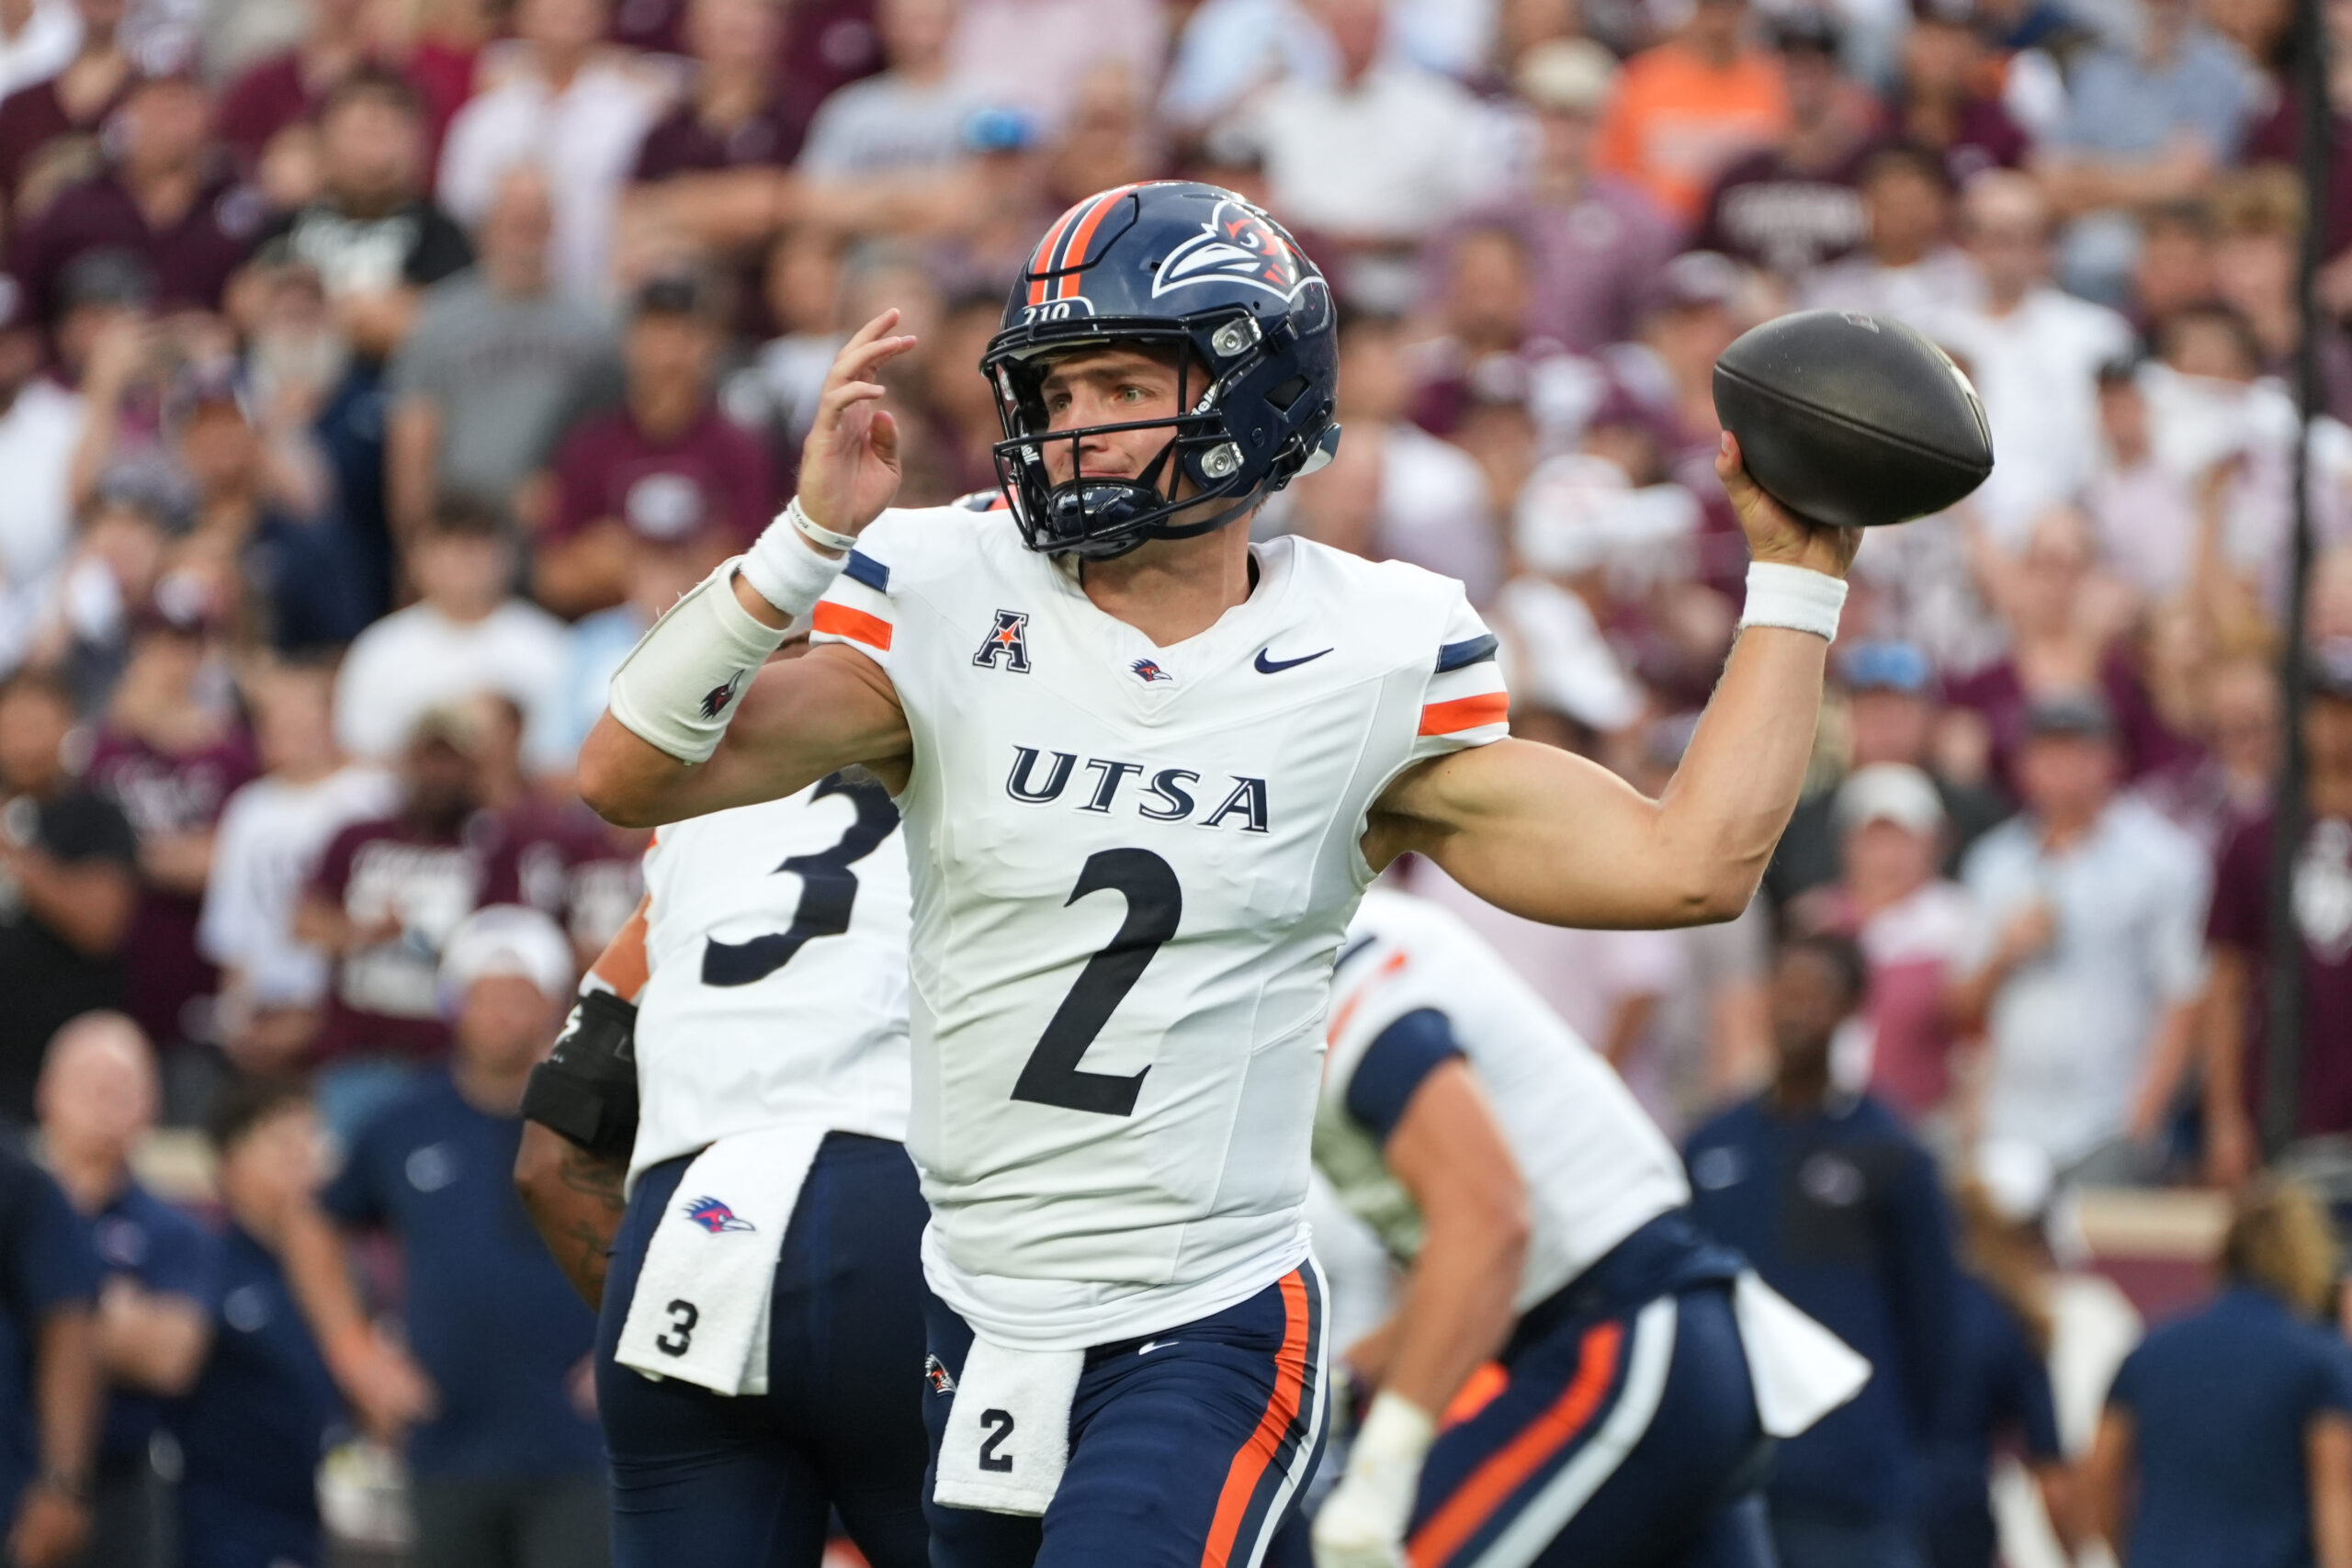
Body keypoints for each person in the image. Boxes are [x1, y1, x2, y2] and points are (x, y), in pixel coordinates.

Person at [577, 178, 1861, 1566]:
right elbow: (631, 773)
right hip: (974, 1311)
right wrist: (803, 537)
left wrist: (1792, 580)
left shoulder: (1369, 650)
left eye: (1119, 382)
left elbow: (1688, 864)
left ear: (1254, 391)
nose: (1071, 428)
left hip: (1204, 1316)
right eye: (1054, 393)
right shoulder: (949, 585)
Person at [1295, 889, 1862, 1568]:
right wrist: (1349, 1384)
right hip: (1667, 1345)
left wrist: (1382, 1471)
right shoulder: (1356, 942)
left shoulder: (1322, 962)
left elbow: (1492, 1224)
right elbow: (1491, 1267)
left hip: (1624, 1346)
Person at [514, 755, 927, 1565]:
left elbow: (546, 1159)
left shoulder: (699, 824)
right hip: (900, 1215)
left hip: (690, 1233)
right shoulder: (1009, 763)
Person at [304, 905, 608, 1568]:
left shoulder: (606, 1120)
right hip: (445, 1440)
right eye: (484, 994)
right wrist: (355, 1352)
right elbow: (316, 1223)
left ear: (555, 1005)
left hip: (583, 1445)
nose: (500, 1013)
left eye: (518, 995)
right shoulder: (405, 1119)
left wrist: (630, 1344)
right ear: (454, 1004)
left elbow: (676, 1228)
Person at [1684, 932, 1962, 1568]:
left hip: (1852, 1490)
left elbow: (1934, 1328)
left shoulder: (1892, 1151)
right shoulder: (1709, 1146)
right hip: (1728, 1480)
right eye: (1785, 989)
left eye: (1816, 992)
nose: (1795, 1008)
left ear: (1850, 1009)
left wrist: (1898, 1452)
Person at [1948, 692, 2211, 1182]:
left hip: (2108, 1119)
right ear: (2024, 765)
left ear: (2113, 759)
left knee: (2105, 1256)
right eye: (2049, 752)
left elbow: (2186, 999)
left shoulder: (2163, 861)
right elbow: (1962, 1004)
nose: (2064, 767)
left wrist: (2143, 1118)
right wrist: (2004, 955)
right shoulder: (1994, 862)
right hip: (2013, 1125)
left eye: (2079, 751)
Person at [2083, 1179, 2352, 1568]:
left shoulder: (2150, 1351)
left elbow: (2098, 1473)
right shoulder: (2319, 1362)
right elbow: (2335, 1497)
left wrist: (2129, 1552)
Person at [294, 706, 521, 1137]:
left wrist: (446, 943)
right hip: (357, 1052)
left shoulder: (495, 848)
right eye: (427, 759)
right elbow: (304, 922)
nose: (437, 773)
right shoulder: (358, 837)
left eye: (451, 760)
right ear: (405, 763)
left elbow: (509, 940)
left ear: (473, 768)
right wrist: (363, 933)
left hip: (448, 1060)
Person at [36, 1013, 209, 1568]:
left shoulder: (175, 1230)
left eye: (123, 1086)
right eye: (90, 1082)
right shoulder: (16, 1212)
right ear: (46, 1093)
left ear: (151, 1106)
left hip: (119, 1486)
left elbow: (168, 1357)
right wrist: (113, 1314)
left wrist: (39, 1312)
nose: (105, 1100)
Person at [383, 165, 625, 537]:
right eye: (514, 212)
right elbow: (413, 439)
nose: (525, 224)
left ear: (554, 224)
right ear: (486, 224)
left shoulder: (597, 327)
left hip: (555, 535)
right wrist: (415, 542)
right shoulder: (440, 318)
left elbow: (611, 440)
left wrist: (569, 495)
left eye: (536, 213)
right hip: (461, 534)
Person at [167, 1077, 343, 1568]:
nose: (302, 1156)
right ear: (230, 1161)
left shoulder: (334, 1275)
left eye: (310, 1137)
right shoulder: (204, 1262)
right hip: (220, 1526)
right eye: (282, 1142)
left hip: (311, 1524)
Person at [199, 657, 398, 1077]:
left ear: (331, 722)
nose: (296, 733)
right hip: (268, 1009)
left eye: (306, 718)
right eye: (280, 722)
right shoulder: (248, 810)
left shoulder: (373, 796)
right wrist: (238, 1020)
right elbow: (235, 931)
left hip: (348, 1012)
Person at [533, 271, 773, 618]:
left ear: (712, 344)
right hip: (606, 636)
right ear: (628, 342)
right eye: (656, 332)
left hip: (710, 632)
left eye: (686, 334)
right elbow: (553, 577)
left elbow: (760, 575)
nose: (669, 351)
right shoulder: (591, 446)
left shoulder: (740, 449)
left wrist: (631, 563)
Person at [2204, 642, 2352, 1185]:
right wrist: (2225, 1119)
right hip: (2284, 1108)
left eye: (2348, 710)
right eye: (2326, 709)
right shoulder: (2256, 838)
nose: (2338, 727)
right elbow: (2225, 986)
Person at [1920, 172, 2135, 541]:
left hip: (2075, 533)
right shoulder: (1933, 337)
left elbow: (2116, 451)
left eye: (2029, 237)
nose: (2014, 254)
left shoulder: (2097, 333)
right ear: (1970, 244)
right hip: (1957, 534)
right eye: (2000, 238)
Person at [433, 0, 669, 301]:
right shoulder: (484, 119)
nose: (565, 9)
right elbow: (460, 215)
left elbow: (656, 213)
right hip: (505, 305)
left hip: (608, 303)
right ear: (520, 14)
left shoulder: (638, 114)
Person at [1460, 38, 1677, 355]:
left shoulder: (1640, 221)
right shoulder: (1486, 214)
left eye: (1581, 119)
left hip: (1600, 377)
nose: (1564, 135)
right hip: (1502, 377)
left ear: (1604, 122)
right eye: (1552, 116)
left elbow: (1655, 326)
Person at [1789, 762, 1974, 1127]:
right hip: (1824, 1119)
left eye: (1903, 838)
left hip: (1923, 1120)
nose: (1888, 856)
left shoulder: (1958, 919)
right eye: (1874, 839)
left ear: (1933, 843)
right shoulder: (1817, 920)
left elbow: (1973, 1040)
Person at [250, 69, 476, 365]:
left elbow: (434, 325)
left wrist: (309, 312)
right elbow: (248, 303)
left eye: (390, 131)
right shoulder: (287, 226)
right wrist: (364, 315)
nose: (376, 150)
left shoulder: (441, 235)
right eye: (362, 131)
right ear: (323, 140)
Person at [330, 498, 569, 768]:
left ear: (508, 556)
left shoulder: (550, 644)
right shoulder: (379, 648)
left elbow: (561, 760)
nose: (465, 563)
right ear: (416, 562)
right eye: (449, 549)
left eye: (477, 548)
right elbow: (355, 752)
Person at [0, 669, 137, 1126]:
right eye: (13, 724)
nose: (22, 740)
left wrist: (16, 858)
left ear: (67, 728)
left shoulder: (95, 815)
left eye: (37, 724)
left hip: (63, 1062)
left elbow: (99, 928)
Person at [1918, 1172, 2073, 1568]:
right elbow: (2051, 1477)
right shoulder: (2009, 1323)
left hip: (1871, 1515)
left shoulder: (1891, 1299)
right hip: (1955, 1520)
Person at [1697, 11, 1871, 283]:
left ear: (1838, 74)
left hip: (1844, 312)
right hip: (1754, 318)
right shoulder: (1738, 175)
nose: (1803, 73)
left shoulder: (1868, 171)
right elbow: (1704, 262)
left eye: (1817, 63)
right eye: (1793, 63)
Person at [1597, 0, 1790, 226]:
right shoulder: (1642, 80)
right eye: (1709, 7)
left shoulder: (1777, 83)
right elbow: (1615, 176)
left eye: (1730, 7)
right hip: (1660, 231)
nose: (1718, 21)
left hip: (1748, 231)